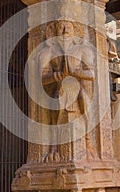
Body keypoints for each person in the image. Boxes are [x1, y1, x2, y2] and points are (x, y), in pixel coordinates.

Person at [39, 19, 96, 162]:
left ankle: (89, 144)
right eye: (61, 28)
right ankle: (53, 148)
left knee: (85, 103)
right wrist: (57, 75)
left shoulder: (83, 50)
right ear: (54, 32)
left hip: (77, 89)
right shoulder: (49, 52)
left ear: (75, 32)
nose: (65, 31)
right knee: (55, 108)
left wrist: (75, 72)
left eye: (69, 28)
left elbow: (91, 74)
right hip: (60, 89)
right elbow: (42, 78)